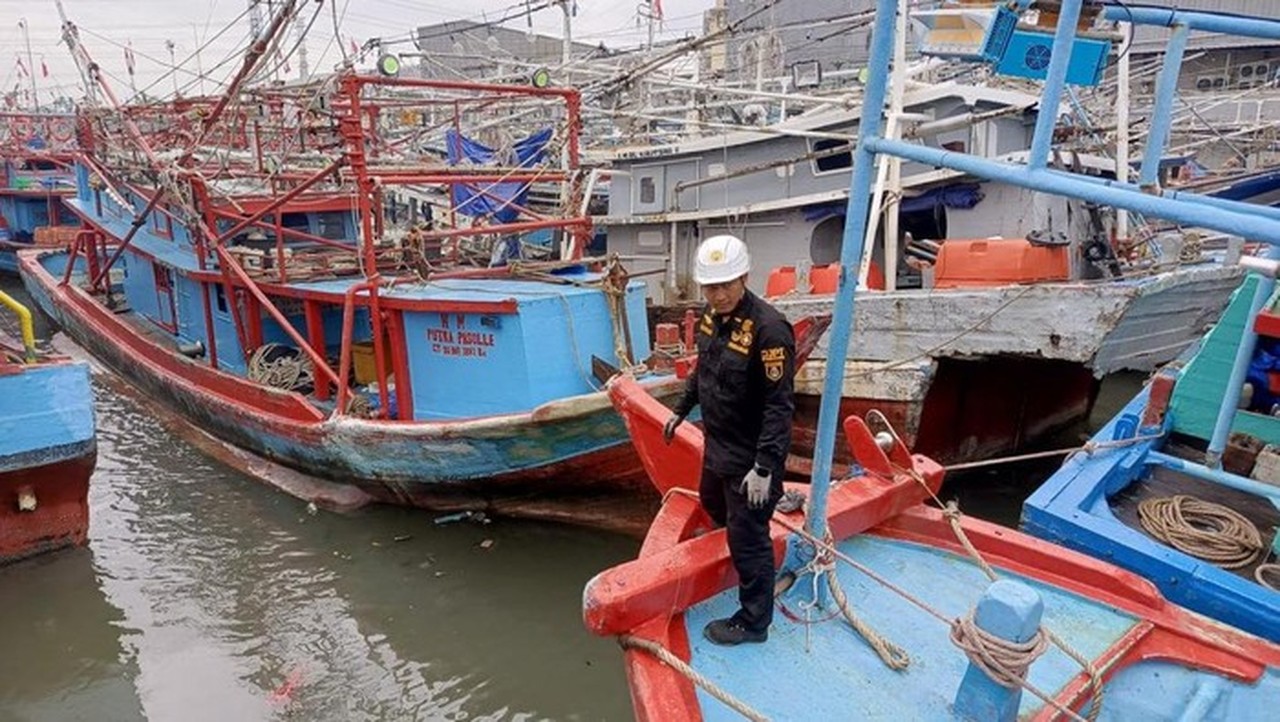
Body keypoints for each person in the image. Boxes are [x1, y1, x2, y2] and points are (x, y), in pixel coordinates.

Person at [663, 234, 795, 646]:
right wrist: (681, 410)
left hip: (752, 457)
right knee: (712, 505)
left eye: (725, 285)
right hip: (718, 447)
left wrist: (764, 469)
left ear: (744, 278)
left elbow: (779, 407)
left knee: (749, 538)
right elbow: (705, 370)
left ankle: (754, 622)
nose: (718, 295)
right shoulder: (710, 318)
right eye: (710, 286)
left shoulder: (770, 330)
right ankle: (731, 553)